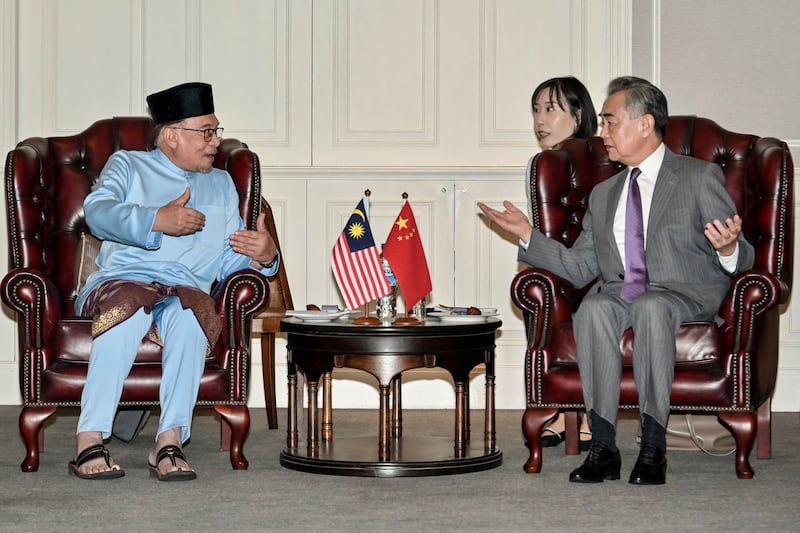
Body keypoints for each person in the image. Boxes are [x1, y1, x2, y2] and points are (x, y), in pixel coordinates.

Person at [478, 76, 754, 485]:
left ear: (644, 124)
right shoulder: (605, 194)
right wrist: (526, 235)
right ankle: (604, 447)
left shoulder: (698, 177)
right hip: (622, 293)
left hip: (684, 293)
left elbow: (743, 254)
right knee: (594, 309)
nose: (602, 132)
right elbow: (578, 268)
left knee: (651, 305)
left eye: (610, 122)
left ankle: (652, 448)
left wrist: (729, 247)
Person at [68, 82, 280, 481]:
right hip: (122, 280)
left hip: (184, 289)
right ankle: (89, 437)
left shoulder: (220, 184)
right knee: (129, 310)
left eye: (216, 131)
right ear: (171, 135)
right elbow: (97, 212)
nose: (216, 142)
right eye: (206, 132)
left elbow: (228, 259)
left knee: (190, 314)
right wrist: (155, 219)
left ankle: (169, 441)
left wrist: (264, 256)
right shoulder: (128, 165)